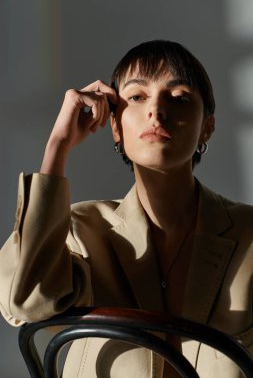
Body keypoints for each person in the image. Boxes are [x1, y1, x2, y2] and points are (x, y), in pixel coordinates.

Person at [0, 40, 252, 378]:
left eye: (179, 97)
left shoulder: (247, 232)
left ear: (207, 126)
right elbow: (27, 301)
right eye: (136, 97)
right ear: (115, 126)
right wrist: (57, 146)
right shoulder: (80, 227)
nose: (156, 110)